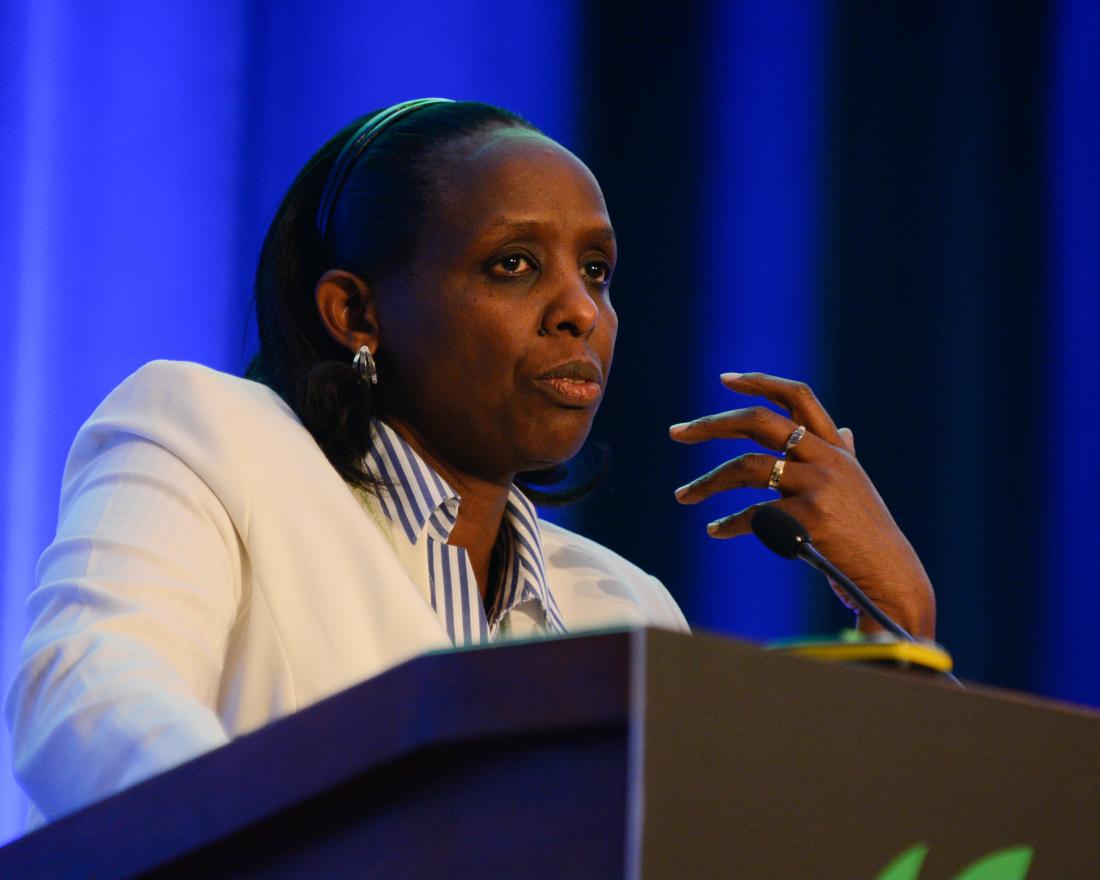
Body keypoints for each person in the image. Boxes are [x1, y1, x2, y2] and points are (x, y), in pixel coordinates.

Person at [4, 99, 935, 827]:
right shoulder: (215, 439)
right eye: (515, 265)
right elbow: (86, 688)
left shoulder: (626, 609)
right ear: (356, 314)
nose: (582, 312)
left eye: (598, 271)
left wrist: (899, 631)